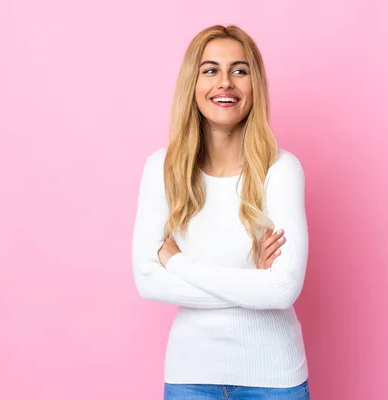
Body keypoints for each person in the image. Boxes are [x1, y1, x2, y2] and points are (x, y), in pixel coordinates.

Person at [131, 24, 310, 400]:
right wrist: (252, 283)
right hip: (190, 376)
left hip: (274, 379)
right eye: (210, 70)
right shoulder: (162, 169)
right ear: (192, 84)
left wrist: (178, 264)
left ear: (254, 85)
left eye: (239, 70)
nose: (225, 83)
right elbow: (147, 279)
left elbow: (282, 289)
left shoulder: (281, 170)